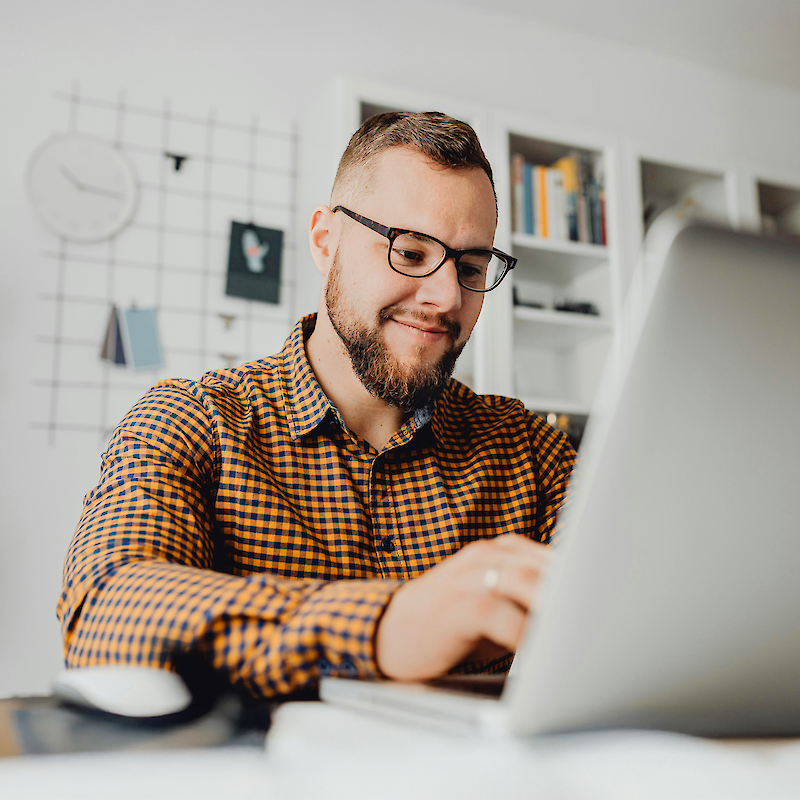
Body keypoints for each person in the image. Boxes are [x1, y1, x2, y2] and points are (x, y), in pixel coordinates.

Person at [58, 112, 576, 698]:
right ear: (325, 242)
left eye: (471, 266)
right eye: (408, 252)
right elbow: (106, 614)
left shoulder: (529, 447)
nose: (446, 297)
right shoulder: (190, 419)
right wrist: (388, 625)